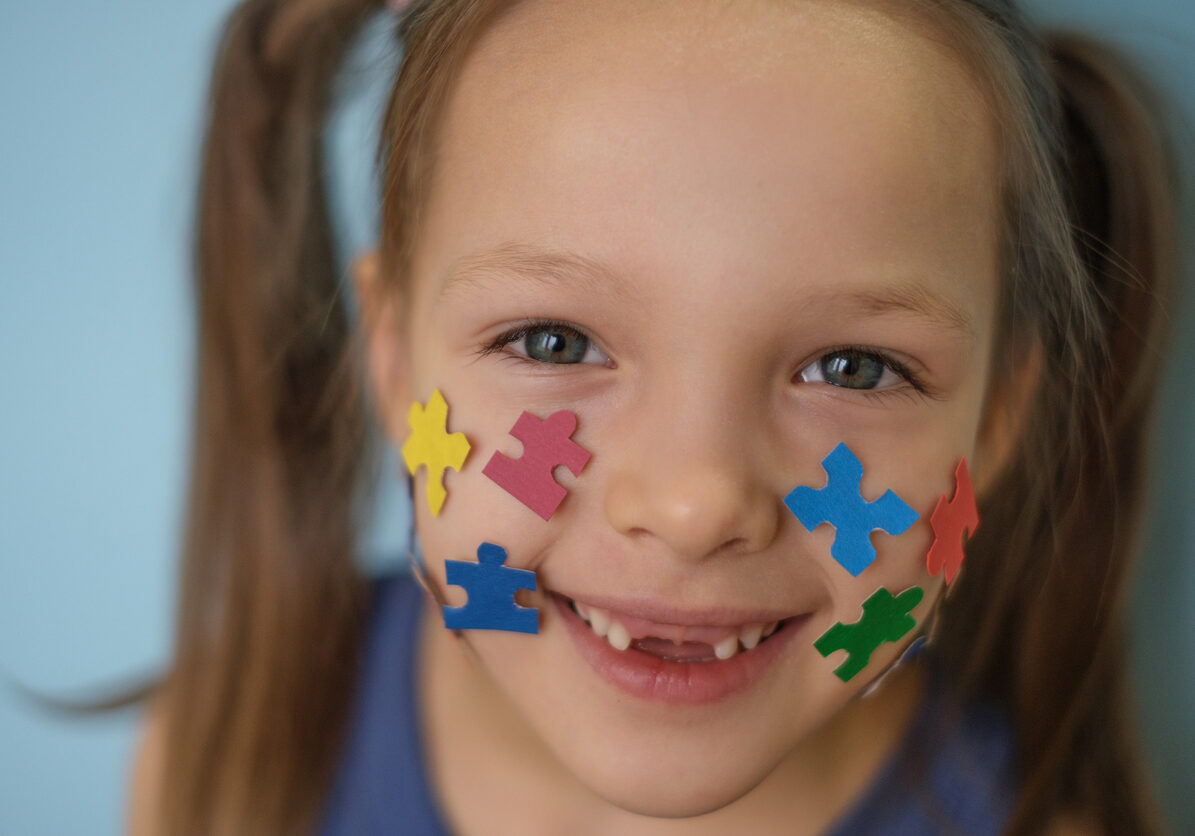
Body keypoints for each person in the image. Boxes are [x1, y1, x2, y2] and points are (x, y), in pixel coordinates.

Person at [128, 0, 1179, 833]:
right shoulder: (234, 757)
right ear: (395, 361)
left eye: (852, 366)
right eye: (552, 343)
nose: (692, 502)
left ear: (994, 423)